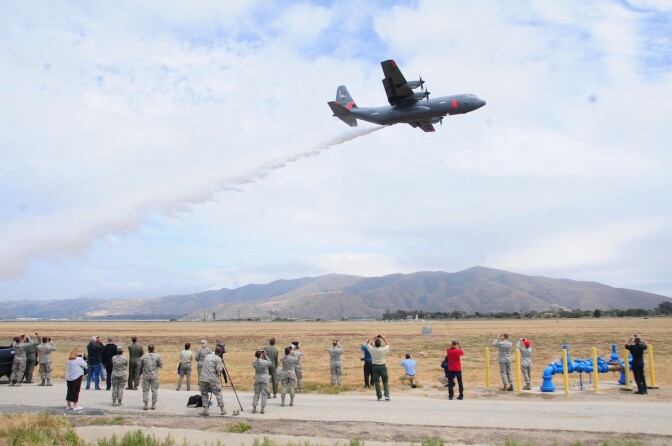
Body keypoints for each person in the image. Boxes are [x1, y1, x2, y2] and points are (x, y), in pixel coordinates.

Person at [198, 346, 226, 416]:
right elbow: (219, 370)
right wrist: (222, 366)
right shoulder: (218, 358)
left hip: (203, 378)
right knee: (218, 393)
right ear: (220, 353)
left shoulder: (207, 356)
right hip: (212, 378)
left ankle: (206, 410)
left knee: (204, 394)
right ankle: (222, 409)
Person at [138, 343, 163, 410]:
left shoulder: (144, 356)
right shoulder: (157, 356)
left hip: (146, 375)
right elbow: (161, 365)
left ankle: (146, 404)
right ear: (153, 349)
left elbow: (139, 365)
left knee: (145, 390)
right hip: (154, 375)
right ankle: (153, 404)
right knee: (154, 390)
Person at [366, 334, 390, 401]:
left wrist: (373, 338)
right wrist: (384, 338)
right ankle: (387, 395)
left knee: (376, 382)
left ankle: (379, 396)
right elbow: (387, 345)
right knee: (385, 381)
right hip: (382, 366)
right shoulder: (383, 349)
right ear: (380, 344)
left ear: (375, 344)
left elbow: (368, 345)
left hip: (375, 366)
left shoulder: (372, 349)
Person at [251, 349, 272, 414]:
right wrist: (265, 355)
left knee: (256, 393)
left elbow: (253, 363)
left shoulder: (254, 363)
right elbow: (270, 363)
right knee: (264, 394)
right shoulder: (264, 362)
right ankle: (262, 408)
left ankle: (254, 407)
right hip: (264, 378)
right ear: (261, 355)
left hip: (257, 378)